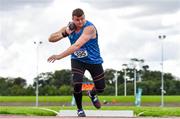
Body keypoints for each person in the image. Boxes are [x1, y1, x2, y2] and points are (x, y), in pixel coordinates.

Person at [47, 8, 105, 117]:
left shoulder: (89, 28)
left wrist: (59, 56)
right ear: (73, 19)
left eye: (82, 19)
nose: (80, 22)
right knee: (77, 83)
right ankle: (80, 109)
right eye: (77, 20)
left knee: (101, 87)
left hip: (94, 61)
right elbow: (50, 38)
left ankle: (92, 94)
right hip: (77, 60)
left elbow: (77, 45)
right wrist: (65, 33)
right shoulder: (69, 28)